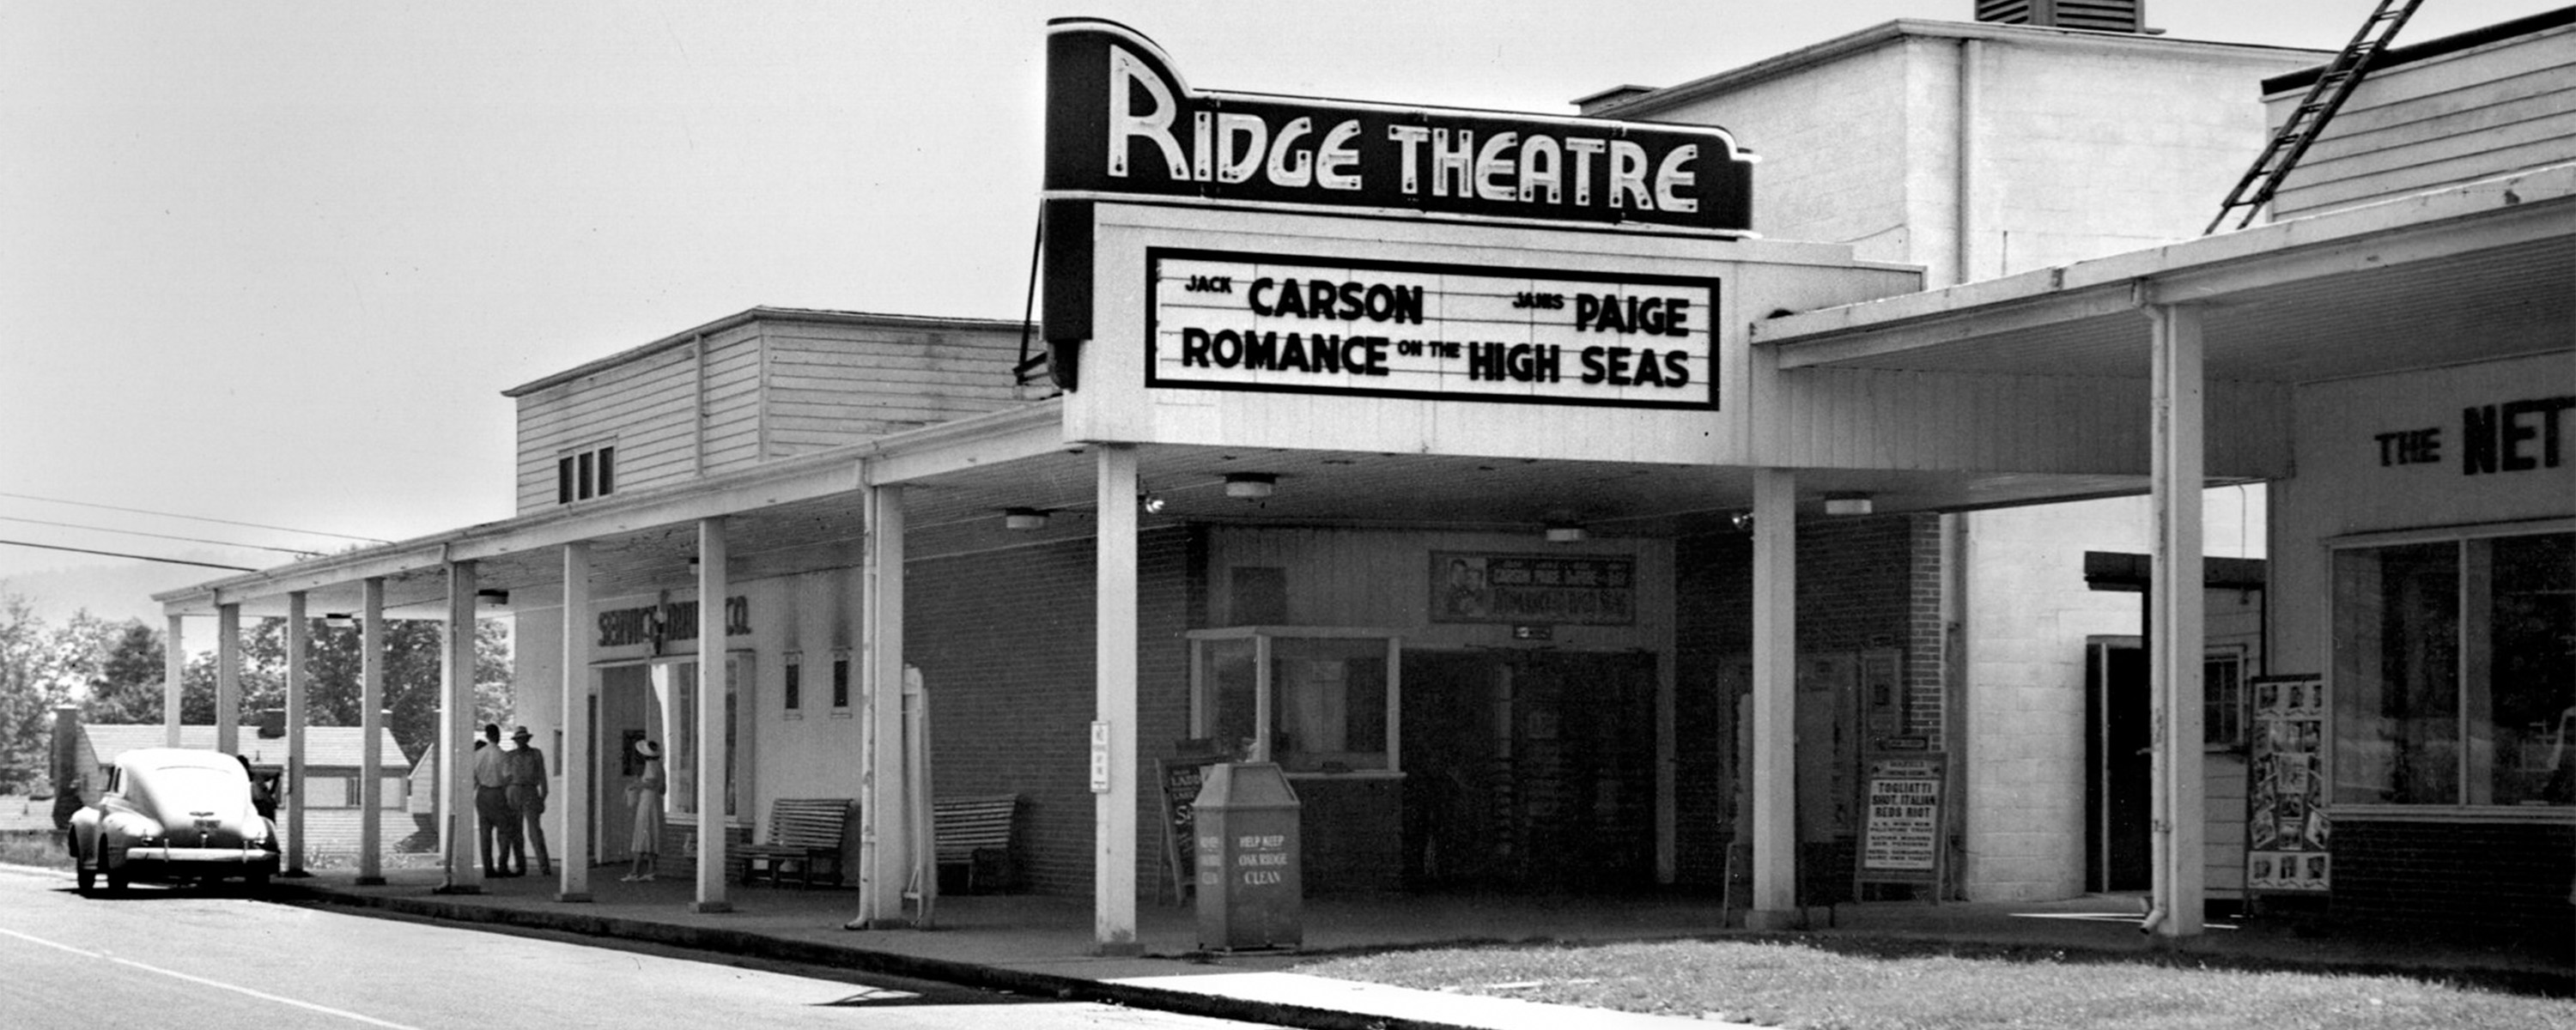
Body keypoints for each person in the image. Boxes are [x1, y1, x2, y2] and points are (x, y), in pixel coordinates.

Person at [503, 725, 552, 877]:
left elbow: (542, 775)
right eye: (519, 739)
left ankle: (544, 866)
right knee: (516, 831)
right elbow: (506, 777)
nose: (521, 742)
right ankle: (520, 865)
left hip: (530, 790)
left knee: (535, 831)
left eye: (523, 739)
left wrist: (543, 795)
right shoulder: (510, 755)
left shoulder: (535, 754)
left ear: (527, 739)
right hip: (514, 790)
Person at [472, 723, 517, 877]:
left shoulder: (477, 755)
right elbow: (508, 776)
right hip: (498, 792)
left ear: (486, 735)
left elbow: (473, 778)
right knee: (504, 831)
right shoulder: (502, 755)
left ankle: (488, 867)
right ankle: (502, 865)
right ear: (497, 736)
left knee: (485, 832)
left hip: (482, 792)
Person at [623, 739, 665, 882]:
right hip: (656, 802)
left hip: (647, 802)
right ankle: (651, 869)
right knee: (652, 833)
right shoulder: (659, 765)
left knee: (642, 833)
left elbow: (650, 783)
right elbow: (662, 788)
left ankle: (635, 871)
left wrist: (636, 785)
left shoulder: (650, 766)